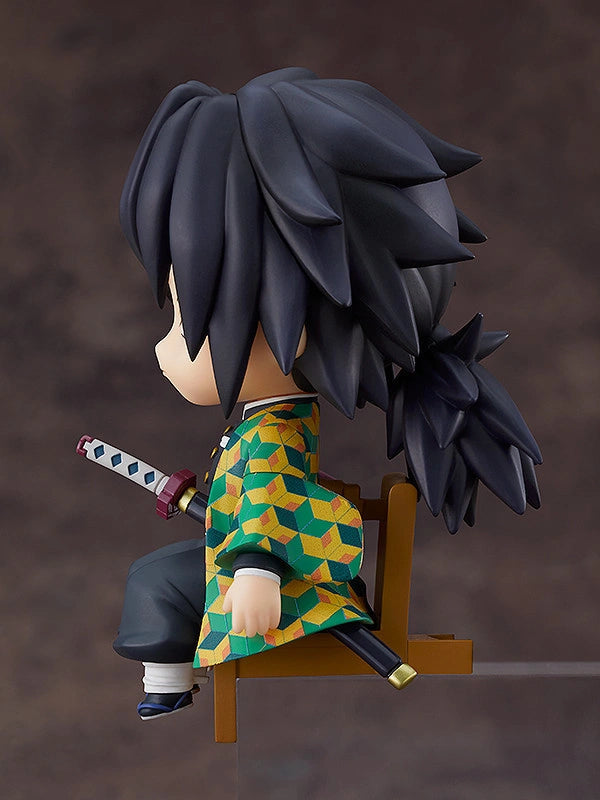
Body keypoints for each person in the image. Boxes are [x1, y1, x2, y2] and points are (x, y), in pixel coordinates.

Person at [112, 67, 541, 719]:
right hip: (267, 560)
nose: (167, 345)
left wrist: (255, 569)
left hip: (287, 584)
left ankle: (167, 681)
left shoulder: (274, 433)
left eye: (185, 315)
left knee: (154, 581)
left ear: (295, 323)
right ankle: (170, 674)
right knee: (159, 574)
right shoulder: (268, 424)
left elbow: (272, 498)